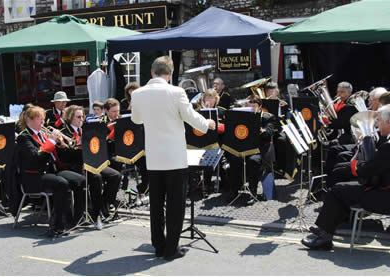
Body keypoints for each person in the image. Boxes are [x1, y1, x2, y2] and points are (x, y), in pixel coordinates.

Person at [131, 56, 216, 260]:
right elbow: (190, 117)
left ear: (152, 72)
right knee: (175, 205)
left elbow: (136, 119)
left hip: (153, 158)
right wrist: (207, 124)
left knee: (156, 204)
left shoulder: (139, 93)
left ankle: (158, 246)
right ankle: (171, 249)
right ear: (169, 75)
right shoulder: (176, 91)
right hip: (175, 158)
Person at [301, 104, 390, 250]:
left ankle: (325, 237)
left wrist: (354, 164)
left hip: (385, 196)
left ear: (388, 122)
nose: (376, 124)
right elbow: (379, 165)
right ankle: (326, 228)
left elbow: (367, 170)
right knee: (344, 188)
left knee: (337, 190)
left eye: (379, 120)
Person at [17, 106, 87, 237]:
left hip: (52, 171)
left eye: (43, 119)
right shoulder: (24, 137)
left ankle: (76, 219)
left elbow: (59, 156)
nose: (44, 123)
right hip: (35, 176)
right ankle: (58, 225)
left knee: (81, 181)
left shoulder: (43, 134)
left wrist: (61, 144)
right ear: (30, 120)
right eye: (40, 119)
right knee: (61, 184)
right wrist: (51, 141)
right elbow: (36, 158)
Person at [57, 105, 120, 227]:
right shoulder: (64, 132)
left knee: (115, 176)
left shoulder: (86, 129)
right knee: (96, 178)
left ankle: (104, 206)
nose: (81, 119)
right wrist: (81, 148)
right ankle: (96, 214)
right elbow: (65, 155)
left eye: (82, 117)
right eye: (78, 117)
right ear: (70, 117)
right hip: (77, 165)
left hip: (92, 162)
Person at [227, 95, 276, 204]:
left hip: (259, 149)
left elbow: (268, 134)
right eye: (249, 107)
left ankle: (253, 191)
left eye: (254, 107)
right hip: (243, 147)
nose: (252, 109)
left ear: (260, 106)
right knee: (233, 159)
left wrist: (257, 128)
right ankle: (234, 190)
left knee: (253, 161)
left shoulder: (268, 117)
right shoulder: (242, 117)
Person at [103, 98, 148, 206]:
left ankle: (139, 189)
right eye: (113, 111)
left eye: (118, 111)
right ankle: (111, 199)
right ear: (106, 110)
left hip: (127, 151)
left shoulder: (122, 119)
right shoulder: (102, 122)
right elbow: (104, 142)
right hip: (111, 153)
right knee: (117, 165)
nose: (116, 114)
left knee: (147, 163)